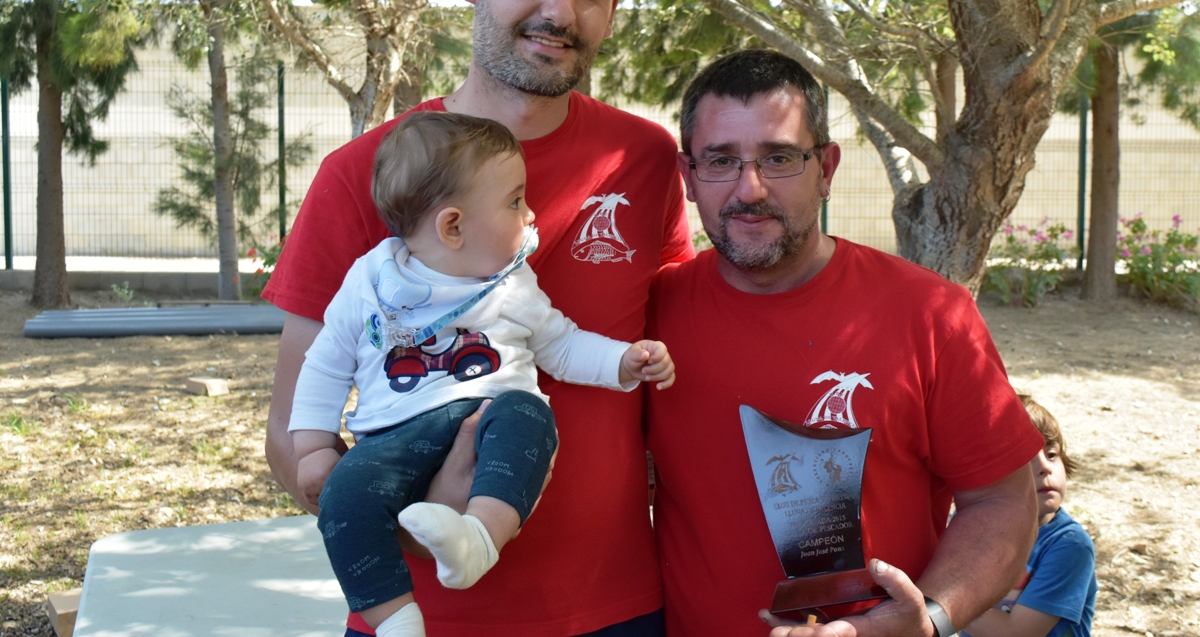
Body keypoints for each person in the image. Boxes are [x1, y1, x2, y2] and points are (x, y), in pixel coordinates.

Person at [263, 0, 694, 637]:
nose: (560, 10)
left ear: (612, 6)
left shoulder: (646, 160)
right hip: (426, 618)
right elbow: (294, 436)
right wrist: (418, 511)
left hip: (617, 607)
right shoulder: (364, 174)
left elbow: (666, 365)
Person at [644, 49, 1045, 637]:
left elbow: (1003, 503)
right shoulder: (650, 315)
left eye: (779, 158)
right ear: (688, 177)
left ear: (826, 169)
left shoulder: (930, 314)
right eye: (721, 161)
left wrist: (929, 617)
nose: (749, 188)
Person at [291, 112, 676, 637]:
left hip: (494, 414)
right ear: (453, 226)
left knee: (528, 414)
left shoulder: (511, 284)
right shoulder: (370, 281)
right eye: (515, 202)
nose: (531, 213)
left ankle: (479, 537)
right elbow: (326, 361)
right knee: (344, 495)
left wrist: (623, 361)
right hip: (392, 436)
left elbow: (561, 344)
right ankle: (394, 618)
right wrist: (313, 445)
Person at [961, 395, 1097, 637]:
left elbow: (1016, 633)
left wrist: (938, 600)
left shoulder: (1068, 545)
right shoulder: (966, 528)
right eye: (1024, 457)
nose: (1045, 467)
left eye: (1051, 454)